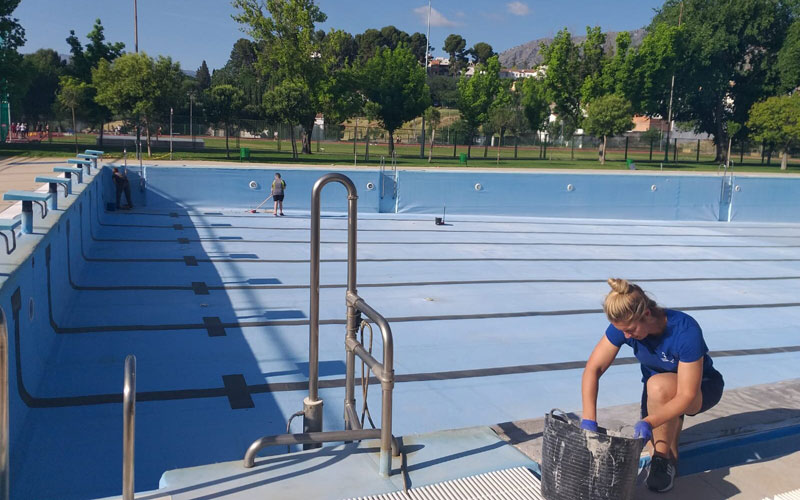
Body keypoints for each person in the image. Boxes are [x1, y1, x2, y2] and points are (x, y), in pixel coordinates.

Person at [581, 278, 724, 493]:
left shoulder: (685, 331)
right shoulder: (624, 327)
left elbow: (686, 394)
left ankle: (663, 459)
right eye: (623, 332)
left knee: (658, 388)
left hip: (701, 389)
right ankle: (667, 456)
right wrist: (589, 420)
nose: (627, 336)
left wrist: (649, 421)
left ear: (647, 314)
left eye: (630, 330)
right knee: (666, 449)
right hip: (658, 392)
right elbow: (593, 369)